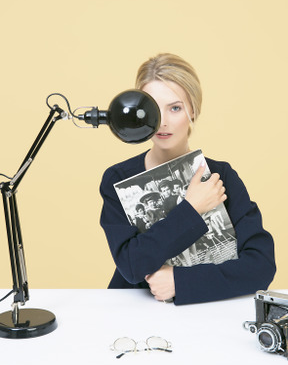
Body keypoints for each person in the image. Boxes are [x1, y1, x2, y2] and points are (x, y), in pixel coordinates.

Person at [99, 53, 276, 305]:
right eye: (152, 109)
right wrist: (192, 208)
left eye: (175, 108)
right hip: (134, 312)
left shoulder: (220, 176)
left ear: (193, 109)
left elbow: (261, 267)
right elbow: (131, 265)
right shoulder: (117, 178)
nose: (163, 122)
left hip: (205, 315)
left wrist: (180, 282)